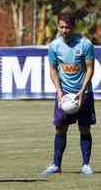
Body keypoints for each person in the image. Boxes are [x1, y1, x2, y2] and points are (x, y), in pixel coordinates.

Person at [42, 12, 96, 175]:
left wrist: (82, 90)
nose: (65, 30)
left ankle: (85, 165)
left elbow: (90, 69)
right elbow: (53, 70)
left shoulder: (85, 44)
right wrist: (59, 92)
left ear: (74, 27)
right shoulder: (54, 46)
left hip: (84, 93)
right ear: (58, 27)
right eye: (62, 27)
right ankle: (56, 165)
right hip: (64, 94)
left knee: (84, 128)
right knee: (60, 129)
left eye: (68, 27)